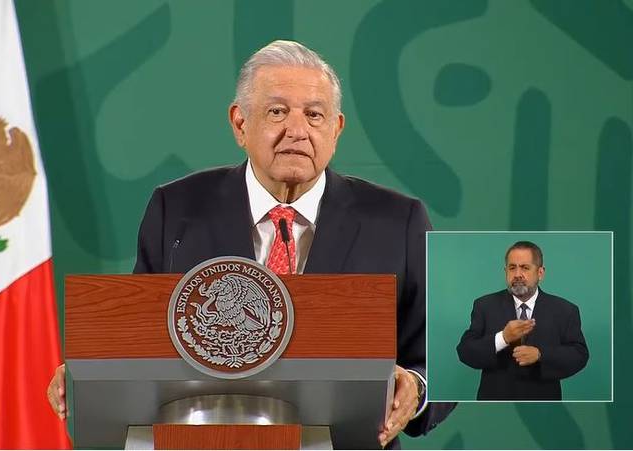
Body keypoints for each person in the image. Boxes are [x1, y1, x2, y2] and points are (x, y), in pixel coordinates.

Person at [48, 40, 455, 447]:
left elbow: (446, 358)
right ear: (240, 123)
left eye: (314, 115)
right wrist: (89, 374)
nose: (297, 130)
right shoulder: (176, 209)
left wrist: (415, 389)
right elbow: (137, 340)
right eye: (277, 112)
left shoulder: (398, 221)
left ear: (336, 129)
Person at [456, 241, 589, 400]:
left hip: (544, 405)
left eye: (525, 267)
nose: (517, 274)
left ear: (540, 273)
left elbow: (579, 354)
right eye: (512, 268)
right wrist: (503, 338)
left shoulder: (565, 310)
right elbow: (465, 351)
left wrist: (540, 354)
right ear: (505, 271)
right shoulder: (484, 306)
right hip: (494, 405)